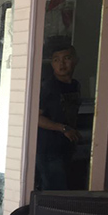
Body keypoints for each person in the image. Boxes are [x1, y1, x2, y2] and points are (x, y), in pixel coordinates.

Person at [35, 38, 82, 190]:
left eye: (66, 58)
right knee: (54, 191)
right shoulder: (48, 87)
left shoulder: (75, 85)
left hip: (67, 148)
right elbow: (35, 118)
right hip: (49, 149)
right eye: (56, 60)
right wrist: (63, 128)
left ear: (75, 60)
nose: (61, 64)